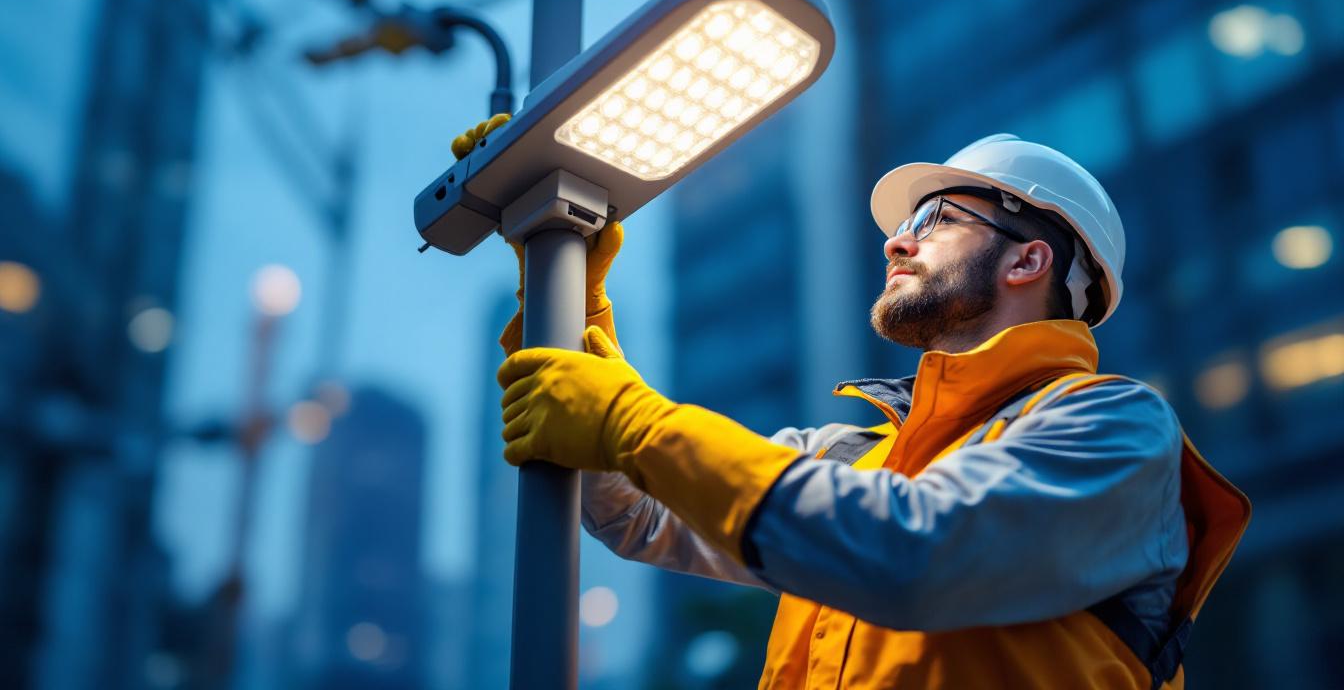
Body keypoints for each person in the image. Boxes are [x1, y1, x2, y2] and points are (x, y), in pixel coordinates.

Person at [477, 128, 1251, 689]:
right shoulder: (857, 457)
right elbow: (635, 510)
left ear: (1028, 258)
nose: (896, 244)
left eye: (935, 220)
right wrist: (566, 291)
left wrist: (633, 422)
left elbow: (917, 555)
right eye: (901, 228)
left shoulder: (1113, 428)